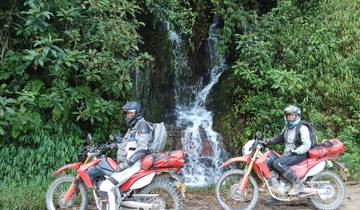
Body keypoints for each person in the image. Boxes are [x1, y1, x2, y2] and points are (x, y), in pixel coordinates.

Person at [99, 101, 152, 210]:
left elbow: (142, 149)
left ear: (137, 113)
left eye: (130, 113)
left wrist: (127, 163)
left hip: (133, 165)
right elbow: (129, 146)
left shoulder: (142, 125)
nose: (128, 116)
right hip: (129, 164)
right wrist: (114, 145)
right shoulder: (133, 127)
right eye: (127, 114)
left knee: (105, 187)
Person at [265, 105, 312, 196]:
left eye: (292, 115)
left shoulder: (302, 128)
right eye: (288, 115)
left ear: (297, 116)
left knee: (277, 163)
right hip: (289, 153)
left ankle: (298, 185)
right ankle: (278, 193)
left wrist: (295, 151)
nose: (290, 117)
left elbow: (307, 145)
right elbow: (280, 138)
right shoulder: (287, 128)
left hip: (299, 154)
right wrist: (267, 141)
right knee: (271, 162)